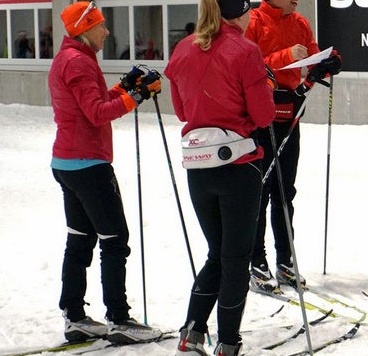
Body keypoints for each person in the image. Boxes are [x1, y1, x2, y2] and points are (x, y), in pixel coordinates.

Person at [165, 0, 275, 355]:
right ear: (239, 12)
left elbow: (182, 109)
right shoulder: (244, 50)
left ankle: (192, 331)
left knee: (218, 254)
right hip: (238, 166)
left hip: (199, 167)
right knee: (234, 259)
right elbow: (262, 115)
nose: (250, 15)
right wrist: (265, 88)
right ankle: (228, 342)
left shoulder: (184, 48)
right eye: (248, 9)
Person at [49, 1, 162, 345]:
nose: (107, 31)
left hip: (68, 162)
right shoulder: (79, 62)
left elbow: (90, 104)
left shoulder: (72, 58)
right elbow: (98, 113)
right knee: (115, 239)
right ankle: (119, 318)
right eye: (101, 25)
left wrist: (126, 87)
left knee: (81, 239)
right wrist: (137, 96)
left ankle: (75, 316)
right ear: (85, 28)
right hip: (88, 164)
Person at [244, 0, 342, 292]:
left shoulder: (299, 22)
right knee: (260, 189)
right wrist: (285, 55)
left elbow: (313, 54)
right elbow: (246, 64)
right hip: (260, 114)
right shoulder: (254, 21)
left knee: (285, 189)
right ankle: (256, 260)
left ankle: (284, 259)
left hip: (291, 109)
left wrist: (329, 61)